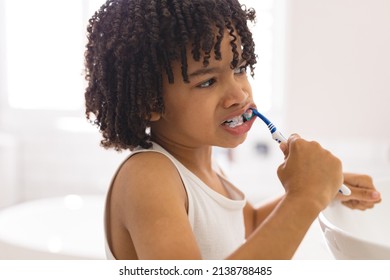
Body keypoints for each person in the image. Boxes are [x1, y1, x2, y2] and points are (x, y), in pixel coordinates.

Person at [84, 0, 381, 260]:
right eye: (207, 82)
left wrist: (323, 188)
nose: (239, 94)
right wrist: (304, 197)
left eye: (239, 69)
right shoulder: (148, 177)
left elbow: (246, 226)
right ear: (149, 101)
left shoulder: (204, 167)